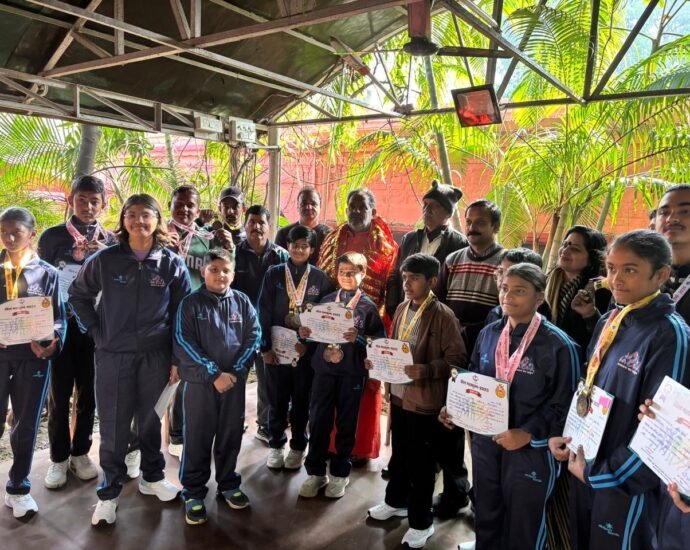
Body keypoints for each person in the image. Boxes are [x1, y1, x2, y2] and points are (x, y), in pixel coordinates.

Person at [548, 230, 690, 550]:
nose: (616, 279)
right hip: (586, 462)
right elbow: (588, 387)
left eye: (630, 270)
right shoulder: (609, 320)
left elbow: (663, 433)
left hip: (626, 485)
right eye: (611, 268)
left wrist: (603, 474)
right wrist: (568, 436)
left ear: (661, 274)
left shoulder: (670, 335)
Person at [69, 194, 191, 526]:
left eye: (146, 214)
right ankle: (108, 494)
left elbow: (182, 314)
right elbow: (77, 295)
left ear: (157, 220)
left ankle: (152, 477)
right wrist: (96, 331)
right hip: (114, 356)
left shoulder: (171, 264)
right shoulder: (105, 260)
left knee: (151, 420)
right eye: (132, 214)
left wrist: (177, 358)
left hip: (156, 356)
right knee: (114, 424)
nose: (139, 221)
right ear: (123, 220)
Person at [451, 263, 581, 549]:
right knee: (486, 513)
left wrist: (529, 433)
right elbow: (474, 377)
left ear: (539, 297)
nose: (507, 296)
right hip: (487, 441)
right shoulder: (489, 333)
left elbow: (568, 403)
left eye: (519, 291)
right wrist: (458, 405)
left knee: (524, 523)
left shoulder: (559, 346)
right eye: (504, 288)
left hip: (530, 450)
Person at [367, 253, 466, 549]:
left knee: (422, 464)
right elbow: (394, 348)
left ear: (432, 281)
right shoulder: (401, 307)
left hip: (425, 401)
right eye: (404, 277)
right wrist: (378, 362)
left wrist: (427, 369)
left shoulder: (443, 315)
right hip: (399, 396)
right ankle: (396, 501)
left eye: (414, 278)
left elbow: (458, 359)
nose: (407, 284)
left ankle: (422, 522)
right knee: (399, 454)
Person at [174, 248, 261, 525]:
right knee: (197, 437)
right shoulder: (190, 304)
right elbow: (183, 342)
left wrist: (235, 373)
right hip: (200, 384)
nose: (220, 275)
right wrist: (214, 374)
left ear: (233, 274)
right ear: (203, 272)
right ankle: (193, 491)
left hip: (233, 384)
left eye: (225, 270)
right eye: (214, 269)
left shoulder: (242, 302)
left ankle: (228, 483)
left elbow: (254, 337)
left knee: (230, 435)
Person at [38, 175, 114, 490]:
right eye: (82, 199)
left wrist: (105, 255)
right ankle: (58, 458)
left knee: (89, 392)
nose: (88, 206)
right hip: (61, 327)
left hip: (95, 328)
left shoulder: (111, 240)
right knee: (59, 393)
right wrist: (44, 330)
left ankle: (80, 452)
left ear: (104, 204)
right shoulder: (52, 236)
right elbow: (40, 283)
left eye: (95, 201)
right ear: (71, 200)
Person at [318, 188, 398, 462]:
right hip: (332, 323)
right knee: (331, 384)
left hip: (367, 323)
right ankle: (331, 446)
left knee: (363, 388)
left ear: (373, 212)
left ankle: (360, 449)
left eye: (361, 207)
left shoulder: (385, 245)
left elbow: (388, 289)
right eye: (351, 206)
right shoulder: (333, 239)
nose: (355, 211)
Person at [298, 252, 384, 499]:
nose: (346, 276)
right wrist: (305, 333)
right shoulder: (325, 301)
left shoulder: (368, 308)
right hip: (324, 372)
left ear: (363, 274)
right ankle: (315, 472)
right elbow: (313, 338)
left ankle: (339, 473)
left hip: (351, 374)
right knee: (318, 421)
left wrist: (358, 338)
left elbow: (379, 342)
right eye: (342, 272)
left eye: (352, 272)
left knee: (347, 423)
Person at [0, 207, 66, 519]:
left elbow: (59, 319)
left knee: (26, 423)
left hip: (33, 358)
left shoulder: (48, 273)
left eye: (17, 232)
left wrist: (53, 342)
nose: (10, 238)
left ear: (32, 234)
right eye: (4, 233)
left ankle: (18, 488)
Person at [166, 185, 234, 458]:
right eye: (179, 204)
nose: (184, 209)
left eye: (190, 205)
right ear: (170, 206)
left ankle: (180, 435)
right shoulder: (159, 234)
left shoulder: (207, 239)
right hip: (163, 317)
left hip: (196, 319)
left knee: (190, 376)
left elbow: (225, 270)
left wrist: (229, 246)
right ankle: (142, 443)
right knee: (162, 379)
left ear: (197, 209)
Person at [258, 225, 333, 470]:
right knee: (276, 400)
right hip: (276, 352)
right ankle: (276, 444)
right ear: (287, 246)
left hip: (304, 355)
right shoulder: (274, 273)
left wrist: (309, 348)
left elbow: (324, 320)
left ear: (311, 249)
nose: (299, 250)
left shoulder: (320, 279)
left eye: (304, 246)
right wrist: (265, 348)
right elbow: (263, 311)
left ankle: (298, 446)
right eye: (294, 245)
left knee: (302, 402)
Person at [232, 205, 288, 443]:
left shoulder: (281, 256)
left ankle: (265, 425)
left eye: (261, 222)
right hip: (239, 329)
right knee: (237, 377)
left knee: (267, 379)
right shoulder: (234, 252)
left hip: (268, 329)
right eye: (251, 222)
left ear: (269, 226)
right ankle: (234, 422)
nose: (256, 227)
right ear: (245, 226)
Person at [386, 180, 468, 318]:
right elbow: (395, 275)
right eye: (425, 204)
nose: (427, 209)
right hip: (405, 313)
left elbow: (458, 286)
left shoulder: (459, 244)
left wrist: (445, 317)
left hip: (437, 318)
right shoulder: (409, 239)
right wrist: (393, 309)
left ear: (448, 213)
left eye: (435, 205)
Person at [437, 199, 504, 353]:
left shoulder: (506, 262)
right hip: (450, 343)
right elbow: (438, 303)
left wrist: (470, 332)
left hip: (489, 345)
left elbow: (506, 311)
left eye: (480, 222)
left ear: (496, 226)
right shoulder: (452, 260)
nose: (472, 228)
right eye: (468, 222)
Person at [545, 226, 611, 351]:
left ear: (591, 259)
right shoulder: (544, 282)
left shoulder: (599, 290)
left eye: (575, 248)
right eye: (565, 244)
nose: (565, 250)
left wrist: (590, 314)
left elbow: (603, 336)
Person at [484, 247, 551, 325]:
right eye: (501, 271)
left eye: (511, 273)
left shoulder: (542, 322)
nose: (503, 279)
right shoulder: (494, 313)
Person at [274, 187, 331, 265]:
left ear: (320, 206)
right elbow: (277, 263)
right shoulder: (284, 233)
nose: (308, 207)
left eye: (313, 204)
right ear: (297, 206)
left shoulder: (328, 235)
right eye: (304, 204)